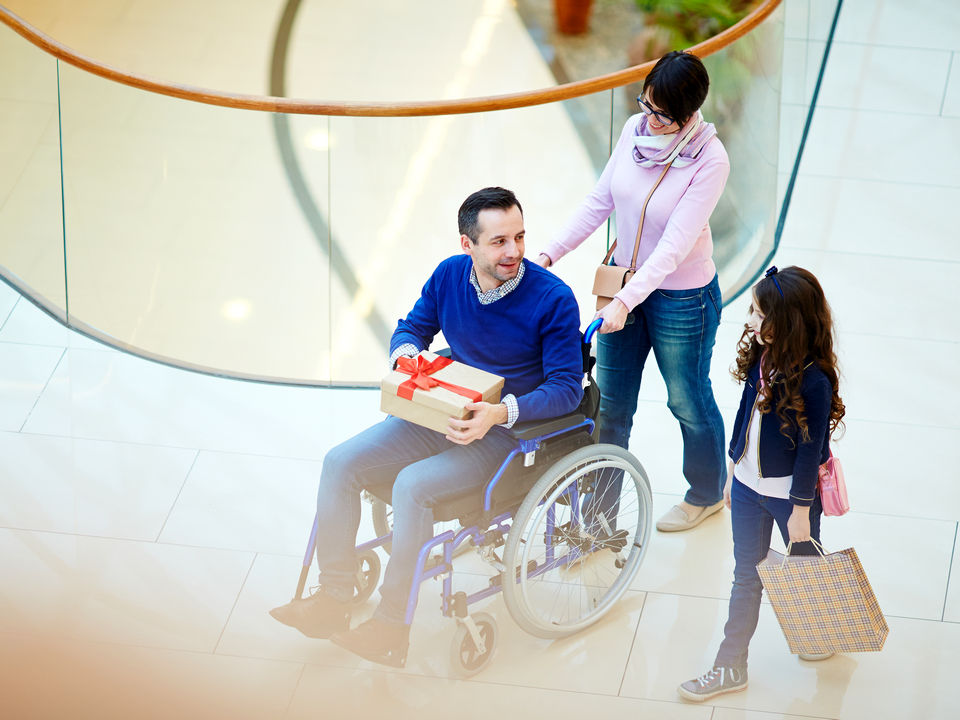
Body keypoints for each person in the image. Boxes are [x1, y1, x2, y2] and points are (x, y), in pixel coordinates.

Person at [270, 187, 583, 667]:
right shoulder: (448, 275)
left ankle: (391, 628)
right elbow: (412, 328)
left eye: (520, 237)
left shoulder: (553, 299)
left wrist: (500, 413)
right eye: (499, 241)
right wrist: (405, 354)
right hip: (441, 412)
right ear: (468, 245)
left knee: (410, 486)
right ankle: (334, 597)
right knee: (340, 462)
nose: (515, 251)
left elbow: (568, 389)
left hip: (502, 435)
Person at [535, 51, 729, 532]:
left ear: (687, 116)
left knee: (685, 399)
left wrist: (626, 302)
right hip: (623, 286)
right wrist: (547, 255)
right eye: (645, 104)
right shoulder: (635, 132)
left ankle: (706, 493)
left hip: (680, 297)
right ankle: (599, 517)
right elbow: (600, 200)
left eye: (660, 114)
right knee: (611, 405)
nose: (648, 118)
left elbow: (673, 247)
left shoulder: (710, 160)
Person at [678, 265, 846, 702]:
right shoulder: (762, 355)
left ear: (784, 322)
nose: (749, 320)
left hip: (793, 499)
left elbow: (812, 448)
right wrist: (735, 470)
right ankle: (729, 666)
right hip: (750, 489)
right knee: (746, 577)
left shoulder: (815, 380)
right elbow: (744, 412)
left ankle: (821, 633)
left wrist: (801, 512)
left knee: (805, 572)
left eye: (757, 313)